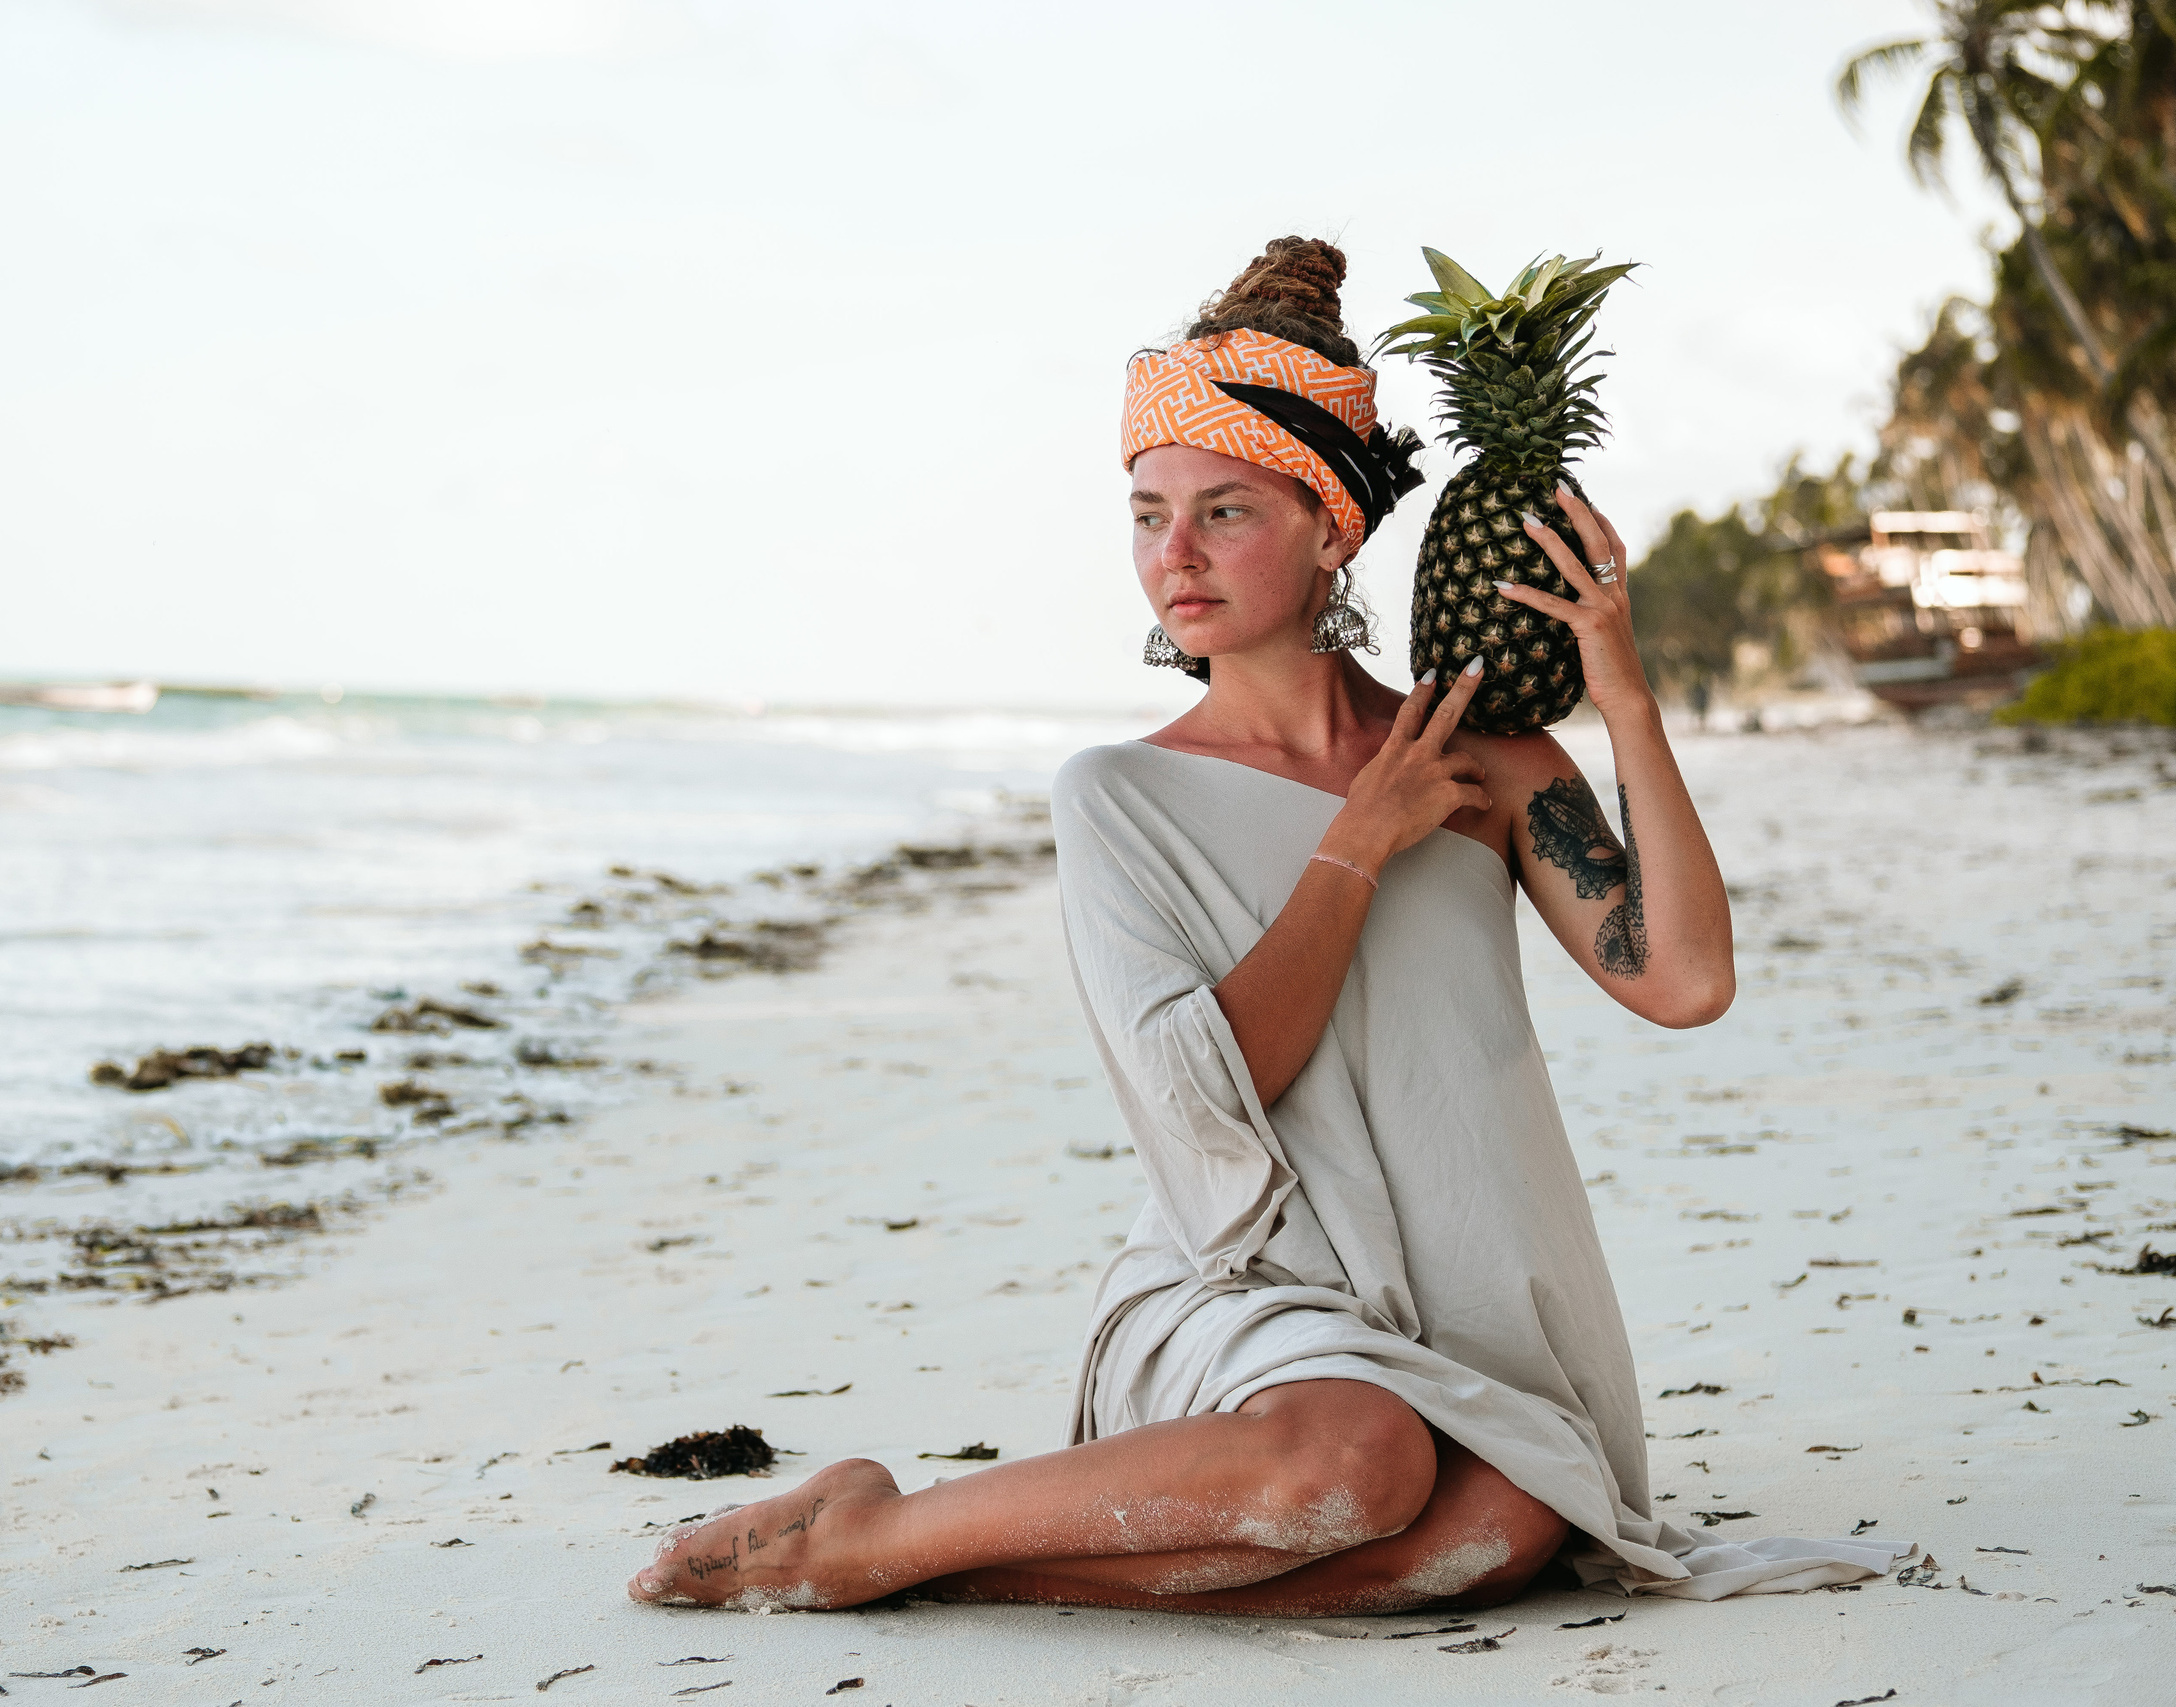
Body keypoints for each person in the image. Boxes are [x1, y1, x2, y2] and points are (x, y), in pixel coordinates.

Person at [628, 237, 1904, 1615]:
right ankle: (883, 1531)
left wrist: (1626, 700)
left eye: (1224, 510)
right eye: (1144, 514)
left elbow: (1686, 981)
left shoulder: (1487, 761)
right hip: (1244, 1297)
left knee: (1509, 1523)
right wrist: (1356, 845)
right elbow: (1208, 1098)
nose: (1172, 555)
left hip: (1468, 1312)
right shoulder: (1118, 796)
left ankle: (961, 1571)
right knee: (1353, 1467)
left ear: (1331, 528)